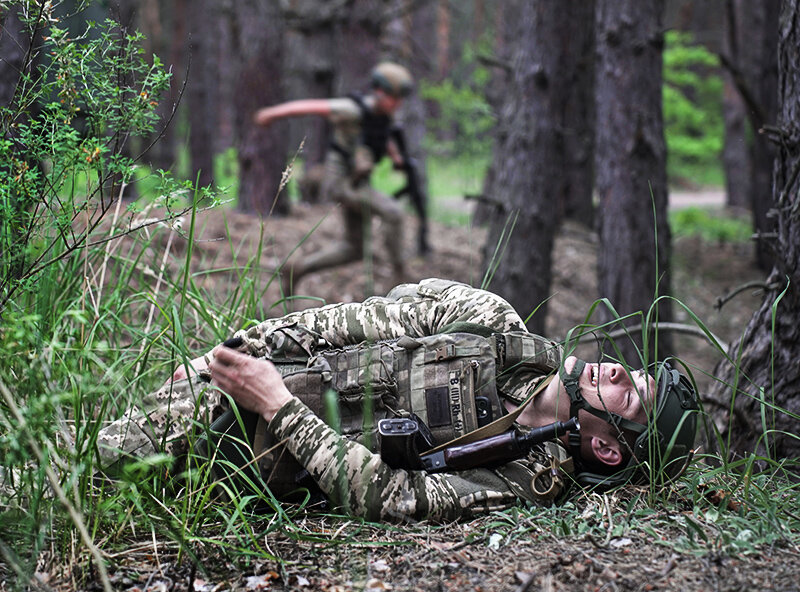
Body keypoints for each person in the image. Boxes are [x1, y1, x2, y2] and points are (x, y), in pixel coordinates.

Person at [97, 278, 699, 522]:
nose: (619, 370)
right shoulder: (494, 324)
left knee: (88, 467)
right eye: (631, 370)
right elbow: (352, 320)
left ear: (607, 447)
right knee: (81, 452)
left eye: (630, 391)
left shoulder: (522, 478)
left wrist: (276, 405)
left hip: (248, 464)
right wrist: (231, 350)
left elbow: (389, 495)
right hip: (247, 378)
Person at [254, 62, 414, 293]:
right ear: (379, 92)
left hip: (359, 184)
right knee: (394, 213)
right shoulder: (352, 108)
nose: (398, 104)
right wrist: (270, 114)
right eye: (395, 98)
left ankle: (296, 269)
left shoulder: (382, 116)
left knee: (354, 249)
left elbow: (379, 136)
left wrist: (396, 157)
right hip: (342, 184)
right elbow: (310, 107)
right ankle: (400, 278)